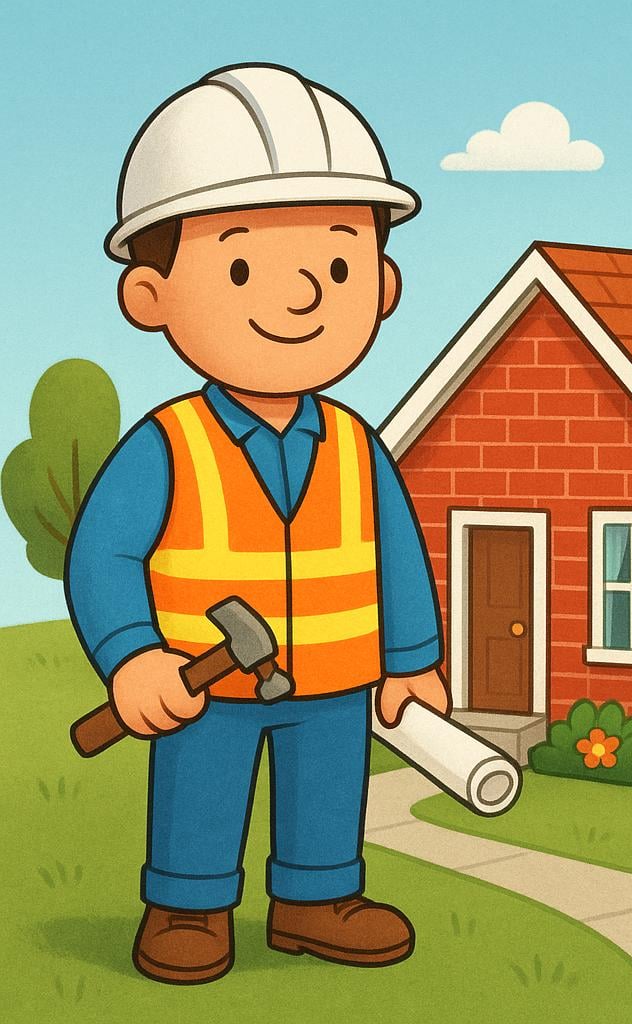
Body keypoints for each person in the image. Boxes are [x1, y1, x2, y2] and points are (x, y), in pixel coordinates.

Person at [65, 63, 449, 985]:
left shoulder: (358, 446)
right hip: (207, 685)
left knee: (328, 790)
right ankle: (188, 905)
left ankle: (318, 898)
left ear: (383, 285)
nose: (305, 295)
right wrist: (134, 656)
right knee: (199, 788)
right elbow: (103, 553)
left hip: (333, 679)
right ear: (149, 299)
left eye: (340, 263)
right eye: (242, 266)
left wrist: (412, 661)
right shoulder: (167, 445)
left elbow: (396, 555)